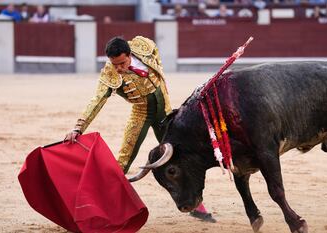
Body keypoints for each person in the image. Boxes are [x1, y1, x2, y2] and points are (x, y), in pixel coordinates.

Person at [64, 36, 217, 223]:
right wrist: (78, 128)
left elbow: (160, 72)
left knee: (180, 157)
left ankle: (196, 205)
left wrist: (169, 106)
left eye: (122, 63)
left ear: (129, 54)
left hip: (165, 115)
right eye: (115, 64)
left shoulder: (145, 46)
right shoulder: (109, 74)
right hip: (141, 114)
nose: (118, 68)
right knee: (122, 162)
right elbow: (96, 101)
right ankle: (103, 207)